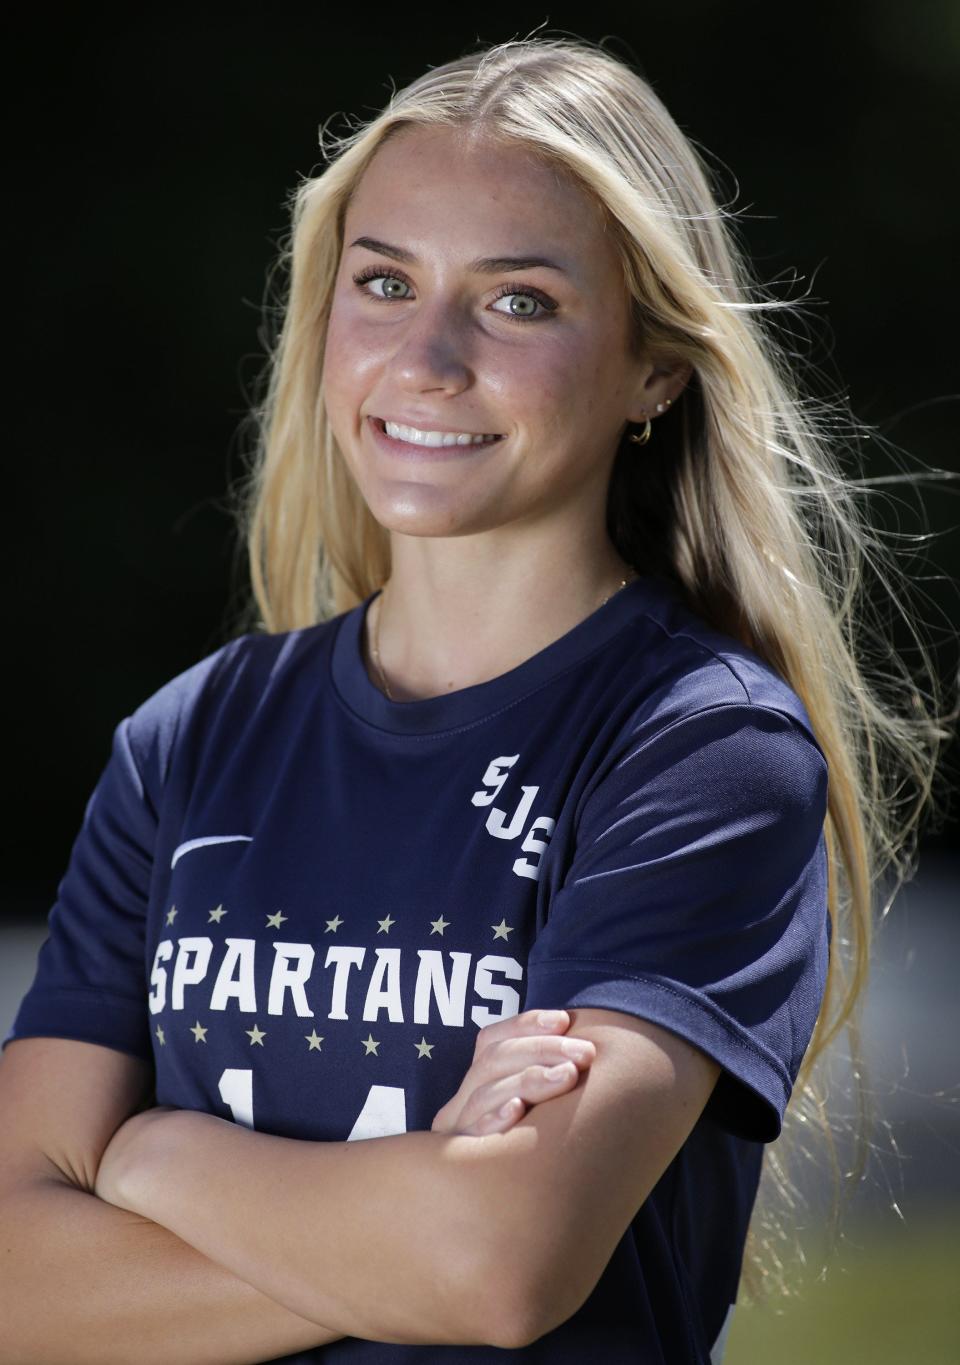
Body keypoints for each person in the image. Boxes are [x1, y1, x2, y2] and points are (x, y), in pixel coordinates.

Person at [0, 32, 951, 1365]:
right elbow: (12, 1284)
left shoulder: (703, 749)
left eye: (518, 302)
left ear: (654, 370)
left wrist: (152, 1153)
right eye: (383, 280)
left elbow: (500, 1268)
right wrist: (423, 1193)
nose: (427, 356)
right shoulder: (188, 743)